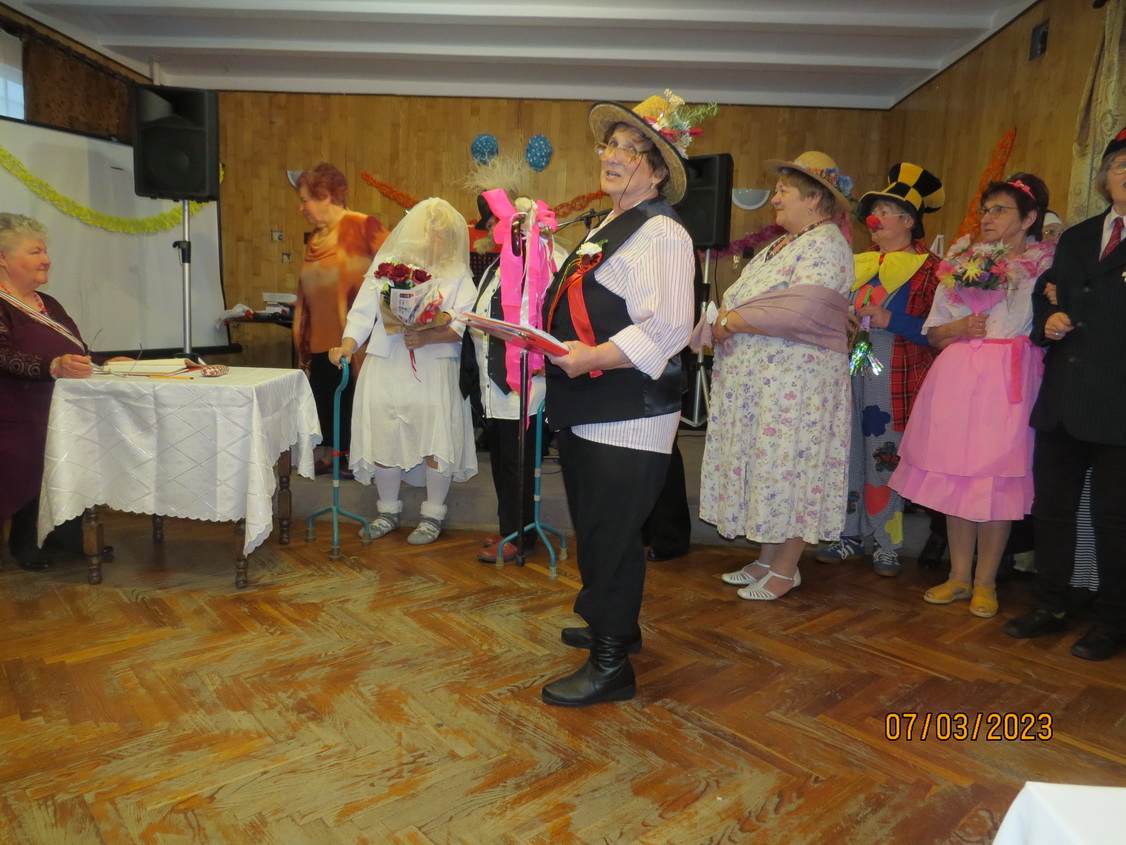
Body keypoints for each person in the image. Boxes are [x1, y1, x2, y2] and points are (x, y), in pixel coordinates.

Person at [539, 93, 697, 707]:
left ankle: (611, 667)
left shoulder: (661, 233)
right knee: (605, 528)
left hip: (627, 411)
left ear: (657, 171)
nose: (614, 155)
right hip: (595, 404)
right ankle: (616, 626)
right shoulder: (610, 225)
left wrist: (592, 357)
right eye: (612, 144)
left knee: (609, 533)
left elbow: (669, 327)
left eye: (632, 150)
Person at [889, 173, 1055, 619]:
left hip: (1009, 378)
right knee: (956, 479)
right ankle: (959, 576)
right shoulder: (961, 262)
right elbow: (934, 332)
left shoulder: (1045, 266)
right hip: (959, 376)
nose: (988, 217)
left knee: (996, 481)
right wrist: (959, 327)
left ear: (1029, 218)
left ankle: (986, 582)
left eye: (1000, 210)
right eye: (986, 209)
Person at [699, 151, 854, 600]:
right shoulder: (782, 245)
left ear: (814, 198)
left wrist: (729, 322)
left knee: (794, 468)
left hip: (797, 389)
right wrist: (726, 320)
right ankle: (767, 559)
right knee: (772, 469)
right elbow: (752, 301)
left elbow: (800, 311)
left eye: (784, 190)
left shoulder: (826, 245)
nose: (775, 198)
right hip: (768, 389)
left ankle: (786, 568)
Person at [1004, 129, 1126, 660]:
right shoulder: (1077, 237)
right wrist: (1048, 320)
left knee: (1114, 522)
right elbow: (1045, 292)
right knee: (1052, 512)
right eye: (1119, 164)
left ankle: (1114, 621)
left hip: (1119, 407)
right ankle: (1051, 605)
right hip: (1062, 402)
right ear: (1104, 178)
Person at [816, 163, 944, 576]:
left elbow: (942, 332)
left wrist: (894, 320)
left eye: (885, 211)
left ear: (909, 221)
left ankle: (887, 544)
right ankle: (848, 533)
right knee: (848, 451)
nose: (874, 219)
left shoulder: (933, 269)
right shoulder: (860, 263)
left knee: (884, 458)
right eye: (874, 211)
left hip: (895, 374)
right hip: (852, 367)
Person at [330, 198, 477, 544]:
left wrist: (429, 335)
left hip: (434, 365)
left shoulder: (458, 272)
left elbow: (466, 321)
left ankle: (432, 515)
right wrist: (348, 345)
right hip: (387, 360)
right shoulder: (388, 265)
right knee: (386, 432)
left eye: (444, 233)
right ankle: (387, 511)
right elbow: (362, 313)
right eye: (431, 230)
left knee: (435, 437)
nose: (436, 238)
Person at [0, 214, 123, 570]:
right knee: (31, 451)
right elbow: (3, 355)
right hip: (13, 412)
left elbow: (74, 350)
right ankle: (27, 539)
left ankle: (62, 533)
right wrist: (52, 367)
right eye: (35, 252)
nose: (46, 259)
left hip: (61, 408)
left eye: (45, 252)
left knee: (75, 453)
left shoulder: (48, 303)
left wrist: (103, 363)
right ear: (3, 257)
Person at [292, 163, 388, 475]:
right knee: (325, 397)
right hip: (319, 337)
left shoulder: (363, 225)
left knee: (350, 399)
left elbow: (396, 270)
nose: (301, 207)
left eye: (305, 200)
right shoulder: (316, 238)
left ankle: (353, 455)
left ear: (325, 196)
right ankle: (333, 452)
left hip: (355, 339)